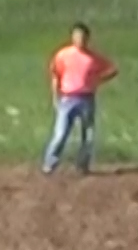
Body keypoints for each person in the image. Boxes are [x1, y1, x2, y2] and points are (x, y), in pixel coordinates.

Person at [42, 22, 118, 175]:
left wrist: (98, 80)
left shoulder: (93, 58)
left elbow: (113, 69)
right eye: (77, 36)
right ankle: (50, 163)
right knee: (60, 134)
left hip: (86, 98)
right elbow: (55, 74)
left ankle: (83, 165)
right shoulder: (63, 55)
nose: (80, 40)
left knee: (88, 135)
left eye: (83, 37)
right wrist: (55, 96)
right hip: (68, 98)